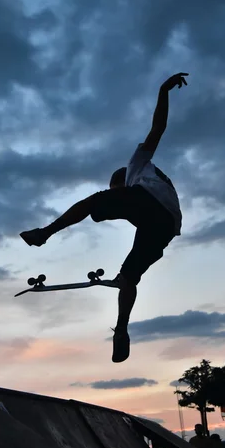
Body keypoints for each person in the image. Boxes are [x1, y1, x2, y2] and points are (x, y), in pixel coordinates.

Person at [20, 72, 188, 363]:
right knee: (128, 279)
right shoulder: (158, 184)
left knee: (92, 202)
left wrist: (163, 91)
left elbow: (158, 127)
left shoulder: (137, 167)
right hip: (165, 229)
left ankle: (43, 234)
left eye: (116, 192)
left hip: (150, 208)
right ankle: (122, 328)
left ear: (120, 183)